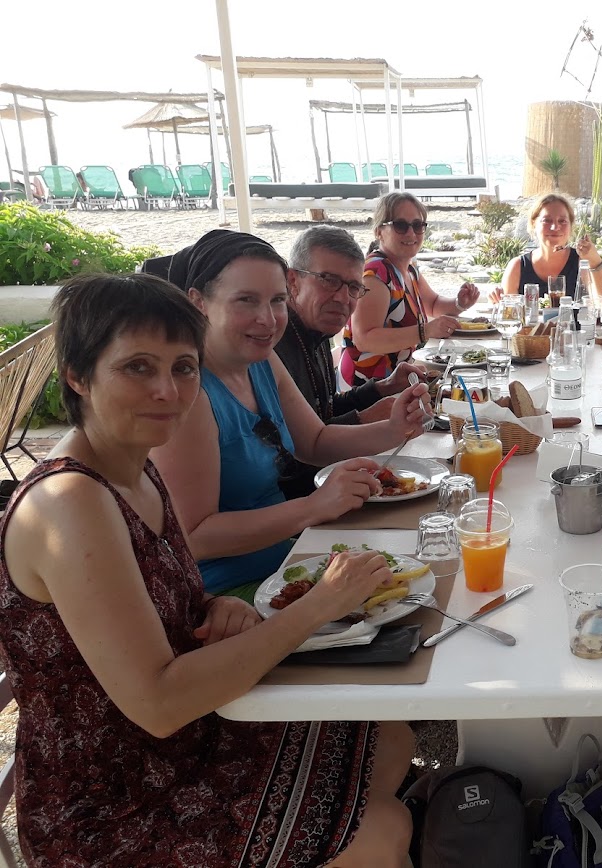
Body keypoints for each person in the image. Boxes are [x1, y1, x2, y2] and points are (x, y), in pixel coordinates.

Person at [0, 272, 415, 867]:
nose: (167, 391)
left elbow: (156, 600)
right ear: (77, 376)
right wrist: (320, 604)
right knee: (382, 830)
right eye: (137, 367)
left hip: (189, 739)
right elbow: (158, 702)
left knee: (390, 738)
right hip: (115, 801)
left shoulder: (135, 467)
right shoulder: (70, 501)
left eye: (184, 367)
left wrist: (217, 607)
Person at [147, 230, 431, 601]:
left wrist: (394, 428)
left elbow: (314, 441)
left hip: (289, 559)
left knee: (428, 560)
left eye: (278, 300)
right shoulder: (189, 396)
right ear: (198, 301)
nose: (268, 319)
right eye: (247, 300)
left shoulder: (262, 361)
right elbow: (194, 537)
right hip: (225, 595)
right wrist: (313, 507)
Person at [276, 224, 428, 499]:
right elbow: (296, 452)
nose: (342, 298)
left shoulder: (316, 331)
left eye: (354, 287)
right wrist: (364, 419)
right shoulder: (273, 345)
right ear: (293, 280)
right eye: (328, 280)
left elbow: (323, 410)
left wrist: (381, 388)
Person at [340, 192, 480, 387]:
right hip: (368, 387)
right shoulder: (376, 274)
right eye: (400, 225)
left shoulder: (408, 269)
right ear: (379, 231)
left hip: (399, 380)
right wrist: (425, 331)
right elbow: (364, 339)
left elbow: (433, 304)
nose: (411, 233)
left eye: (417, 225)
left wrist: (460, 303)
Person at [491, 192, 602, 302]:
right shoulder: (518, 267)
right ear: (534, 224)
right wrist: (496, 299)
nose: (555, 227)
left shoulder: (581, 263)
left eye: (562, 221)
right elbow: (509, 311)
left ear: (571, 225)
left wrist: (595, 260)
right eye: (547, 220)